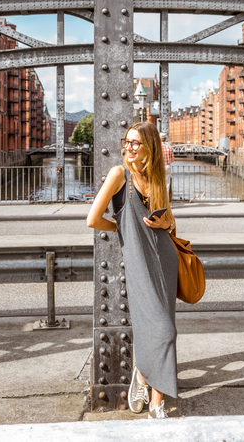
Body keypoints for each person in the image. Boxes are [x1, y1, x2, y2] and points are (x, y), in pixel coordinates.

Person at [86, 121, 177, 419]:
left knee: (161, 327)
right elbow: (92, 219)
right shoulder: (118, 175)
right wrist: (123, 228)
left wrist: (166, 224)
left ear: (149, 146)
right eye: (127, 141)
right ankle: (143, 379)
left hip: (165, 259)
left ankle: (156, 400)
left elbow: (171, 223)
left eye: (136, 142)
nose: (129, 146)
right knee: (164, 331)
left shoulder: (157, 178)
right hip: (139, 261)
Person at [159, 131, 174, 199]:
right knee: (167, 184)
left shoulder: (157, 148)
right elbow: (172, 159)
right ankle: (166, 202)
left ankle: (159, 201)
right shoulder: (169, 147)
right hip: (167, 166)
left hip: (159, 167)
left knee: (158, 184)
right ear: (165, 139)